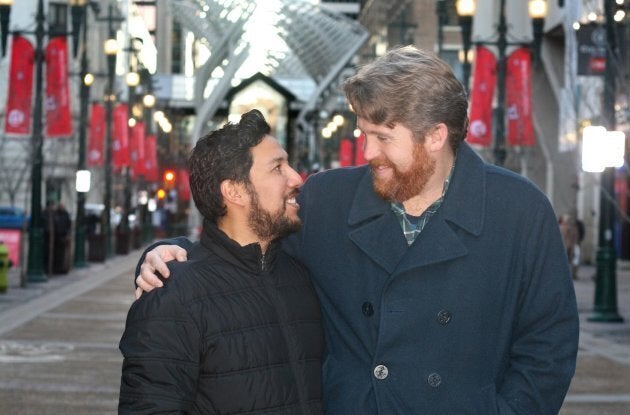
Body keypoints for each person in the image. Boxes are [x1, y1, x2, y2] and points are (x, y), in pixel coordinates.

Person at [135, 46, 579, 413]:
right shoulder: (328, 199)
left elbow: (548, 344)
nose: (367, 152)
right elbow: (246, 247)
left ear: (436, 136)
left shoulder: (519, 210)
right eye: (363, 132)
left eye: (383, 137)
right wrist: (172, 254)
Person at [118, 109, 324, 414]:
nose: (296, 178)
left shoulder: (301, 276)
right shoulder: (174, 297)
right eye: (278, 167)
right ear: (234, 191)